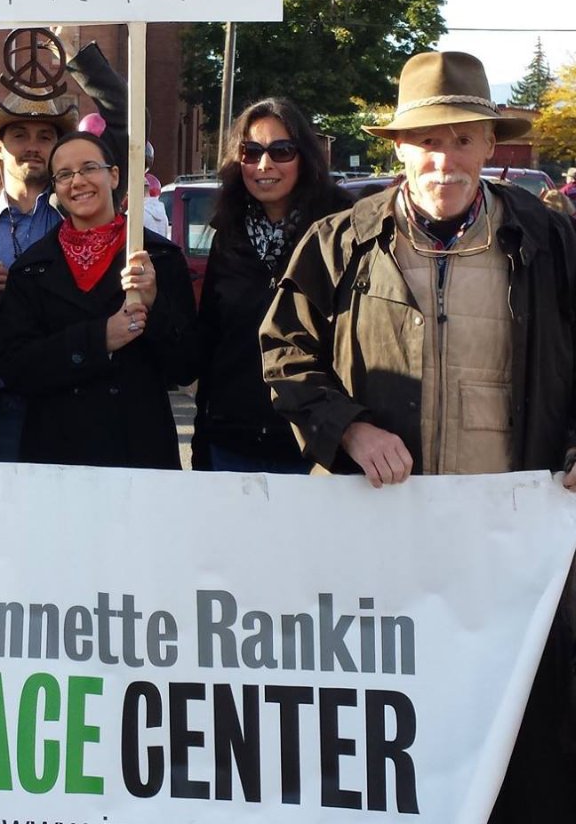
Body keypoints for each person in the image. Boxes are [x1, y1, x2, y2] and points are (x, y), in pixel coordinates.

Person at [259, 51, 576, 822]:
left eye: (464, 139)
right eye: (429, 142)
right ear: (398, 148)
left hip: (513, 540)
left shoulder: (548, 238)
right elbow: (284, 355)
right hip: (380, 539)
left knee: (522, 715)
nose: (447, 159)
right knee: (386, 720)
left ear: (491, 146)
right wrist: (348, 428)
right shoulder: (341, 241)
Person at [0, 130, 198, 469]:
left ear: (114, 175)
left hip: (139, 451)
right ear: (56, 188)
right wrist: (98, 339)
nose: (77, 181)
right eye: (64, 174)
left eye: (89, 168)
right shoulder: (32, 268)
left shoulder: (158, 258)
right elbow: (16, 369)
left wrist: (154, 303)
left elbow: (187, 364)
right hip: (57, 453)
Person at [0, 32, 129, 461]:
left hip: (80, 396)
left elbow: (126, 119)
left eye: (45, 136)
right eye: (19, 134)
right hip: (7, 400)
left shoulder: (81, 208)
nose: (33, 145)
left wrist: (80, 56)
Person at [194, 98, 350, 472]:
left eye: (281, 151)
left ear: (305, 157)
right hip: (233, 442)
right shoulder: (227, 235)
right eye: (251, 152)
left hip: (316, 445)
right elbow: (208, 340)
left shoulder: (341, 232)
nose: (264, 165)